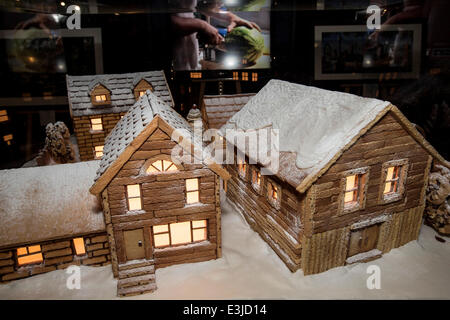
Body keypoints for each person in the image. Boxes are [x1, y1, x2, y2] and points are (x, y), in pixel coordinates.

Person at [171, 0, 260, 70]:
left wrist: (231, 17)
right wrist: (201, 26)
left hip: (188, 55)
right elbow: (160, 21)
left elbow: (200, 5)